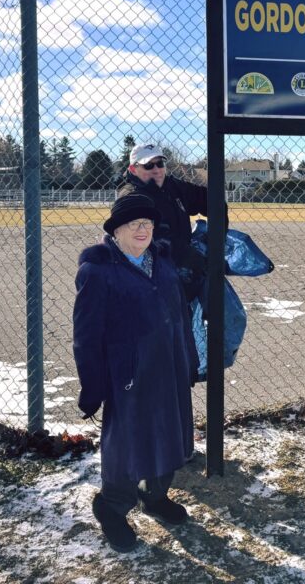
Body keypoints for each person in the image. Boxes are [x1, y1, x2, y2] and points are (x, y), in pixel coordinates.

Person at [73, 193, 196, 552]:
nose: (143, 230)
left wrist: (186, 357)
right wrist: (93, 385)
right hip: (128, 377)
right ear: (116, 230)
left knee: (171, 434)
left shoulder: (163, 261)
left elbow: (181, 316)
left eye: (148, 224)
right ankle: (111, 508)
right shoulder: (98, 271)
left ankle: (155, 496)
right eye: (134, 224)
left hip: (169, 368)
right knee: (128, 445)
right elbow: (86, 336)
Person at [116, 143, 209, 298]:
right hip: (148, 283)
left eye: (160, 163)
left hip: (180, 275)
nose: (156, 169)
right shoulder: (131, 198)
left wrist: (217, 240)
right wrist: (195, 258)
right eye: (148, 165)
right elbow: (152, 242)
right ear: (133, 169)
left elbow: (208, 198)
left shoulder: (171, 186)